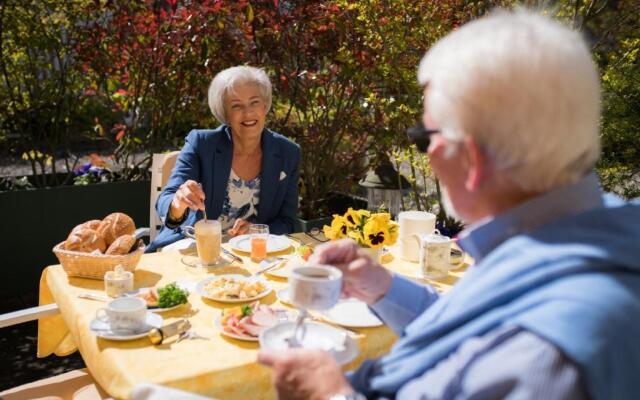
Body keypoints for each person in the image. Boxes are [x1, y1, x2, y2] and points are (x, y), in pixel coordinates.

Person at [257, 10, 640, 400]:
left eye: (424, 136)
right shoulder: (573, 238)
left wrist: (328, 395)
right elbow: (471, 341)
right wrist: (381, 287)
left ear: (471, 158)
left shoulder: (545, 357)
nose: (426, 154)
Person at [147, 66, 300, 252]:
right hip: (195, 248)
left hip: (251, 253)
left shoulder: (288, 152)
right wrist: (178, 203)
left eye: (254, 102)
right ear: (225, 113)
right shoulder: (201, 144)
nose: (248, 112)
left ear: (265, 105)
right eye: (236, 105)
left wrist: (257, 232)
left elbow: (288, 222)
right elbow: (166, 199)